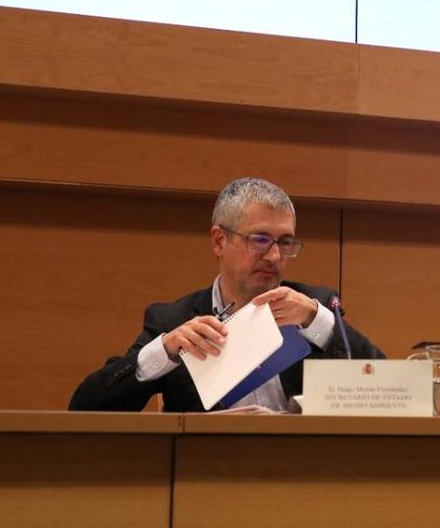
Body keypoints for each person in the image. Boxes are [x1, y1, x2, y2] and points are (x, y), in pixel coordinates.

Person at [70, 177, 383, 412]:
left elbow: (387, 392)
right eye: (260, 240)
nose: (275, 257)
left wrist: (321, 322)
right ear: (219, 241)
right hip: (206, 479)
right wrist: (163, 351)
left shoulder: (314, 308)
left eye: (285, 242)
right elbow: (84, 408)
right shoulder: (175, 320)